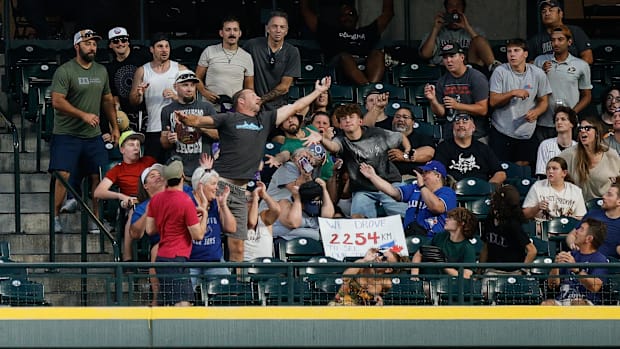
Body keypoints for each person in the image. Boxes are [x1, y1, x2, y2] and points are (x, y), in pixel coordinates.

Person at [175, 77, 332, 265]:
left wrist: (317, 91)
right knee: (203, 235)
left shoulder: (264, 120)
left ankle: (237, 290)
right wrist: (187, 119)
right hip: (217, 186)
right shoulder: (228, 117)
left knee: (239, 248)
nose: (258, 98)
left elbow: (294, 107)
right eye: (253, 95)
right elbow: (201, 120)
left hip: (240, 192)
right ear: (241, 101)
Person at [49, 29, 120, 234]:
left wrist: (114, 126)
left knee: (98, 176)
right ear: (77, 46)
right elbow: (57, 101)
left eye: (94, 44)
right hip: (66, 134)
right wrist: (83, 115)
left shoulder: (101, 71)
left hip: (93, 135)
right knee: (62, 174)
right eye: (87, 43)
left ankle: (96, 220)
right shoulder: (65, 71)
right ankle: (55, 217)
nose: (92, 47)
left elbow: (107, 99)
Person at [303, 103, 408, 219]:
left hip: (389, 183)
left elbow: (400, 137)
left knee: (405, 216)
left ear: (360, 121)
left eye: (351, 117)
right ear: (340, 125)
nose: (347, 120)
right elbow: (333, 146)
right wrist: (321, 139)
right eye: (343, 118)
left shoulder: (377, 133)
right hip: (363, 189)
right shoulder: (341, 139)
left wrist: (407, 152)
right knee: (358, 219)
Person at [145, 160, 208, 306]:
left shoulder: (156, 199)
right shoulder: (185, 201)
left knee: (169, 303)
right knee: (182, 304)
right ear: (182, 176)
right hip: (177, 258)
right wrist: (204, 214)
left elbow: (150, 230)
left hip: (161, 257)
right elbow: (198, 235)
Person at [93, 130, 156, 261]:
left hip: (153, 200)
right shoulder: (118, 169)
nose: (136, 148)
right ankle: (127, 259)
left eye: (138, 145)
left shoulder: (149, 162)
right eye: (131, 144)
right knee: (134, 212)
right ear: (122, 149)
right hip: (132, 203)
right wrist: (121, 196)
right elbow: (98, 192)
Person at [489, 38, 551, 168]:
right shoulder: (500, 71)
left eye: (516, 51)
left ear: (525, 54)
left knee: (523, 168)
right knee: (502, 168)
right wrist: (512, 93)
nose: (512, 54)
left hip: (526, 131)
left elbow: (544, 101)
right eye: (509, 51)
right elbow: (493, 101)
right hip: (502, 129)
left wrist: (536, 112)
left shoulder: (538, 73)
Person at [300, 0, 394, 85]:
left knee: (378, 53)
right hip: (339, 63)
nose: (347, 17)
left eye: (351, 14)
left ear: (357, 17)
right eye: (343, 15)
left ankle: (372, 87)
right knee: (345, 56)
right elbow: (305, 11)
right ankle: (366, 88)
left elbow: (388, 14)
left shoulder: (367, 32)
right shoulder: (329, 32)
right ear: (339, 18)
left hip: (364, 60)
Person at [129, 32, 188, 163]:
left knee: (177, 170)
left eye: (167, 46)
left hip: (178, 128)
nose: (164, 50)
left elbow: (192, 100)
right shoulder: (142, 71)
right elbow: (133, 101)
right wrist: (139, 94)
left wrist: (176, 96)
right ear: (152, 49)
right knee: (154, 171)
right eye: (160, 46)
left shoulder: (180, 69)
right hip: (153, 129)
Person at [361, 158, 456, 237]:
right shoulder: (415, 189)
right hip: (409, 235)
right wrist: (372, 176)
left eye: (426, 172)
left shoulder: (447, 192)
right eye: (422, 172)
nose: (422, 175)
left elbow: (437, 207)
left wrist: (422, 186)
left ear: (438, 176)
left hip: (433, 239)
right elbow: (393, 192)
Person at [533, 25, 592, 145]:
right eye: (553, 40)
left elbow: (587, 96)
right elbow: (531, 89)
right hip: (544, 122)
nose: (556, 43)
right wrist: (541, 72)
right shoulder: (540, 61)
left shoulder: (581, 65)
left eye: (560, 39)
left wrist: (572, 113)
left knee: (569, 159)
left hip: (569, 123)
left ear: (569, 42)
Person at [264, 148, 334, 242]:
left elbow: (309, 192)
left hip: (300, 213)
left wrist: (310, 177)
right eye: (304, 156)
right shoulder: (288, 166)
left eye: (310, 157)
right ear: (294, 158)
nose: (306, 159)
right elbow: (296, 189)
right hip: (277, 212)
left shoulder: (312, 173)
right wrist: (303, 175)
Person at [424, 42, 490, 141]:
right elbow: (441, 113)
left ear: (462, 57)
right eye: (445, 57)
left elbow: (483, 109)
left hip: (476, 135)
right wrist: (433, 100)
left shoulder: (476, 77)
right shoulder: (442, 81)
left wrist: (457, 106)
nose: (449, 60)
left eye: (452, 56)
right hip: (451, 135)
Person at [160, 69, 218, 177]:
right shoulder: (167, 110)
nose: (189, 89)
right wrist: (169, 139)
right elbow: (164, 143)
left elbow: (218, 135)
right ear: (175, 86)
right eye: (185, 85)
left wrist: (198, 125)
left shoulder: (207, 107)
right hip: (179, 169)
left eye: (192, 85)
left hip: (203, 168)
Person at [188, 163, 236, 291]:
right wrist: (203, 206)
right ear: (200, 186)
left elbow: (231, 228)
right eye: (213, 184)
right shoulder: (187, 202)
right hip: (190, 262)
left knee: (227, 294)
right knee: (185, 298)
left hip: (214, 261)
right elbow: (198, 232)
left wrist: (223, 204)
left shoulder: (215, 203)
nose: (216, 188)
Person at [243, 11, 301, 111]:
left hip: (278, 107)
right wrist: (253, 100)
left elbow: (284, 87)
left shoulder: (292, 51)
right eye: (274, 26)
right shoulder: (252, 45)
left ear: (286, 30)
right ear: (267, 28)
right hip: (251, 105)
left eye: (282, 27)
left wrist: (261, 100)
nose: (278, 30)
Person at [419, 0, 498, 73]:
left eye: (458, 5)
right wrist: (435, 29)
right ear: (446, 9)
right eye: (451, 5)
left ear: (463, 9)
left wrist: (467, 28)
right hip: (443, 71)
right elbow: (425, 55)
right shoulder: (437, 32)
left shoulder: (475, 31)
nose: (455, 8)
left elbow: (484, 51)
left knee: (479, 40)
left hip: (469, 72)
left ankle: (498, 72)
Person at [542, 218, 608, 306]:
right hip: (562, 301)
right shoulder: (569, 255)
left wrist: (577, 270)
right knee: (546, 304)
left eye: (581, 229)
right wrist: (555, 266)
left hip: (586, 303)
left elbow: (595, 287)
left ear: (588, 239)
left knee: (577, 303)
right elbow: (552, 286)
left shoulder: (600, 260)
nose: (576, 231)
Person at [195, 16, 254, 110]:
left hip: (235, 109)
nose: (232, 33)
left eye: (235, 30)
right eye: (228, 30)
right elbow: (196, 78)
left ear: (240, 33)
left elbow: (249, 88)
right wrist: (204, 93)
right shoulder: (209, 51)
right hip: (210, 107)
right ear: (221, 33)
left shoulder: (247, 57)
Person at [559, 116, 620, 201]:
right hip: (577, 206)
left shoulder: (610, 154)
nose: (583, 131)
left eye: (587, 128)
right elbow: (554, 173)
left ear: (597, 132)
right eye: (581, 129)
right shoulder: (569, 154)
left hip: (603, 206)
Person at [479, 185, 537, 275]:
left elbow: (532, 250)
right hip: (493, 270)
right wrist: (479, 272)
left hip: (513, 272)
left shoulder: (513, 223)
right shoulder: (490, 219)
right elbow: (485, 248)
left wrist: (522, 271)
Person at [129, 164, 165, 306]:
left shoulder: (179, 193)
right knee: (156, 251)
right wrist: (149, 210)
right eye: (152, 175)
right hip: (162, 244)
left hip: (184, 239)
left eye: (159, 174)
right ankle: (157, 300)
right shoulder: (143, 207)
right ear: (145, 186)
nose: (158, 177)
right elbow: (134, 233)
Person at [434, 114, 506, 184]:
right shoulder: (443, 147)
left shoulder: (483, 148)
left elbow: (500, 173)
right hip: (454, 192)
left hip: (481, 192)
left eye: (465, 122)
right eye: (457, 123)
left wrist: (488, 188)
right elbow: (436, 173)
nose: (461, 125)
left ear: (473, 127)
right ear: (453, 128)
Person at [410, 207, 478, 279]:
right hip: (429, 282)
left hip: (450, 286)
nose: (446, 219)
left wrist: (443, 265)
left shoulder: (468, 248)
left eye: (451, 218)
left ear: (461, 223)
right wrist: (414, 275)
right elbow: (419, 254)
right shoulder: (440, 236)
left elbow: (466, 276)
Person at [105, 26, 150, 132]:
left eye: (124, 40)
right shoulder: (110, 68)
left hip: (148, 111)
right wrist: (117, 108)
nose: (120, 43)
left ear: (128, 42)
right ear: (111, 45)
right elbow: (114, 93)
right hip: (127, 115)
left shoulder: (143, 57)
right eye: (116, 41)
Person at [329, 247, 406, 306]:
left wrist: (378, 299)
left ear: (388, 270)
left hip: (362, 312)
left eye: (384, 258)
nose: (379, 258)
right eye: (381, 254)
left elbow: (378, 299)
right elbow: (345, 278)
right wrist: (365, 260)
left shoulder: (386, 284)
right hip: (340, 304)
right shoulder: (361, 265)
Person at [566, 183, 620, 260]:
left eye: (609, 195)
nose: (603, 197)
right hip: (582, 260)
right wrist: (573, 244)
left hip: (609, 266)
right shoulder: (593, 214)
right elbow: (572, 235)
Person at [528, 0, 593, 65]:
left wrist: (569, 70)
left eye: (551, 10)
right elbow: (529, 64)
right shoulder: (536, 39)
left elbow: (588, 58)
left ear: (560, 14)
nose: (547, 13)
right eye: (543, 11)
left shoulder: (575, 31)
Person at [523, 157, 587, 222]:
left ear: (564, 173)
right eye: (548, 168)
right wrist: (537, 207)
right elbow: (524, 214)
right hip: (542, 228)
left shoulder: (575, 191)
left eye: (554, 169)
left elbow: (581, 217)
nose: (550, 171)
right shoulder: (537, 186)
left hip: (567, 229)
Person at [390, 107, 436, 177]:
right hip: (389, 179)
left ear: (413, 122)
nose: (401, 119)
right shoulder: (385, 137)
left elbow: (429, 153)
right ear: (393, 120)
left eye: (405, 117)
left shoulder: (422, 137)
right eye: (397, 117)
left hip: (415, 178)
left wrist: (404, 156)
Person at [535, 106, 577, 178]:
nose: (559, 122)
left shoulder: (578, 148)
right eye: (556, 120)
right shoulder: (545, 145)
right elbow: (541, 173)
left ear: (572, 124)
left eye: (563, 119)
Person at [244, 181, 280, 260]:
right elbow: (251, 223)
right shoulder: (236, 218)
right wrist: (255, 199)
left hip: (266, 267)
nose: (249, 202)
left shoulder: (263, 217)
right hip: (245, 267)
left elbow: (276, 210)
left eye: (252, 198)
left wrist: (265, 195)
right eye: (246, 198)